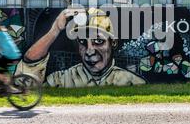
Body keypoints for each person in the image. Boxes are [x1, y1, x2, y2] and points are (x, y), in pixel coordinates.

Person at [16, 8, 146, 87]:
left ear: (113, 43)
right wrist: (55, 29)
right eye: (83, 42)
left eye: (98, 41)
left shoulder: (132, 82)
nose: (89, 51)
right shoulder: (61, 80)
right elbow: (26, 81)